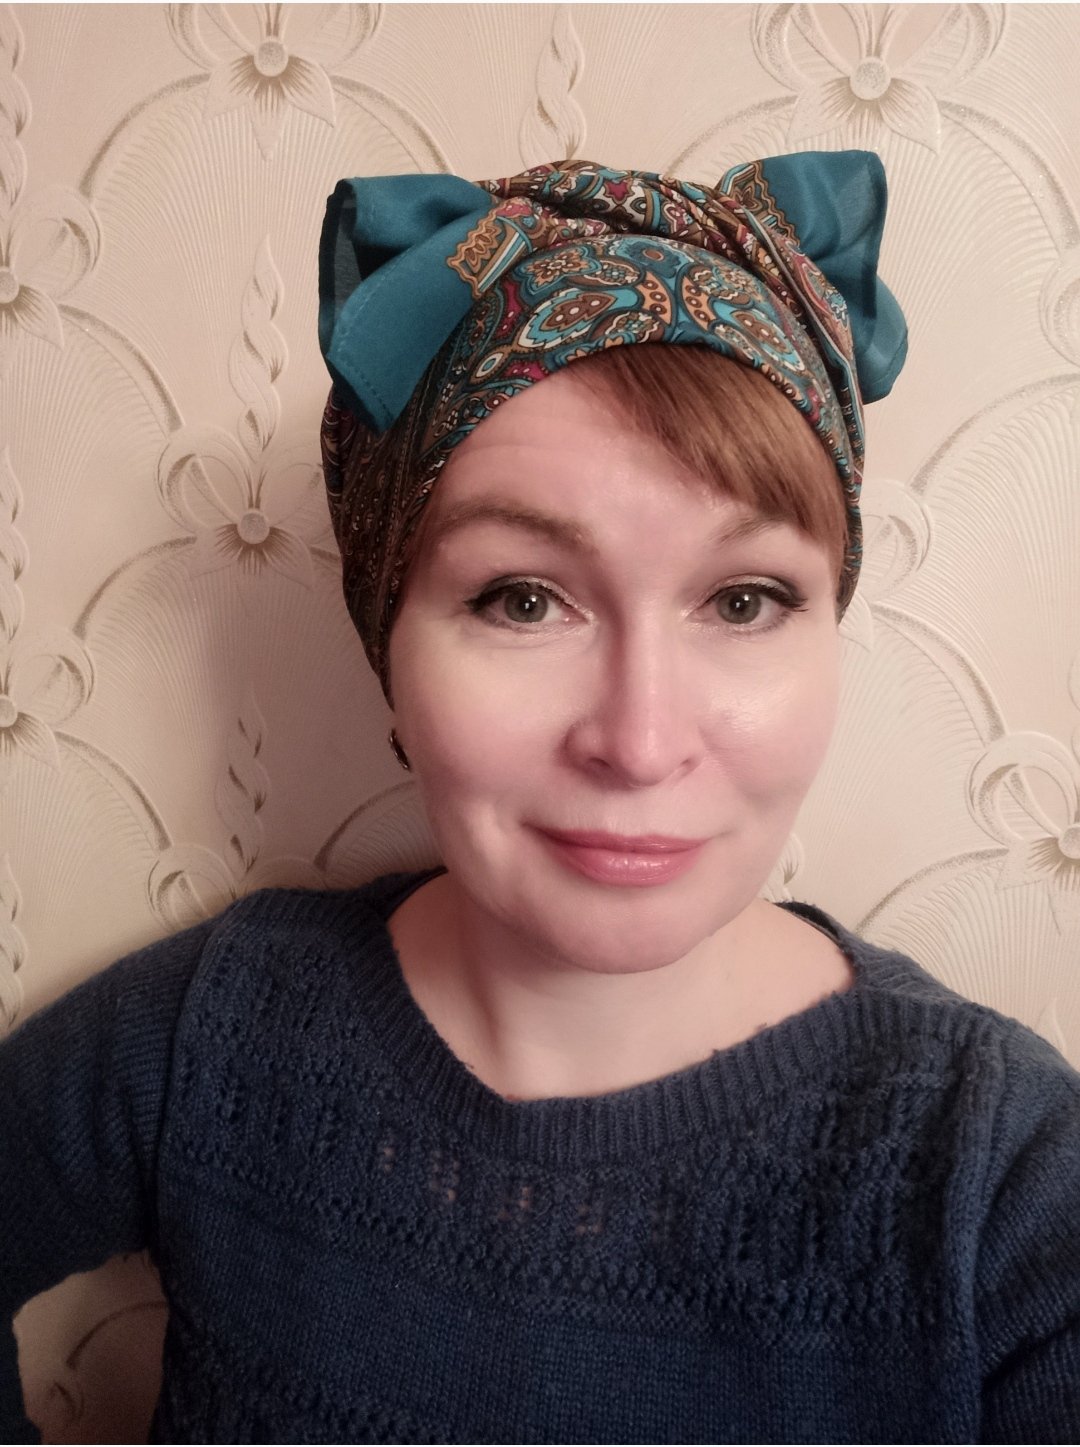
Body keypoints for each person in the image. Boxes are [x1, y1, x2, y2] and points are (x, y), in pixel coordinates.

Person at [2, 152, 1078, 1445]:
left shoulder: (1006, 1179)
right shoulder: (214, 1031)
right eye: (522, 600)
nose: (639, 741)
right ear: (388, 648)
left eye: (744, 601)